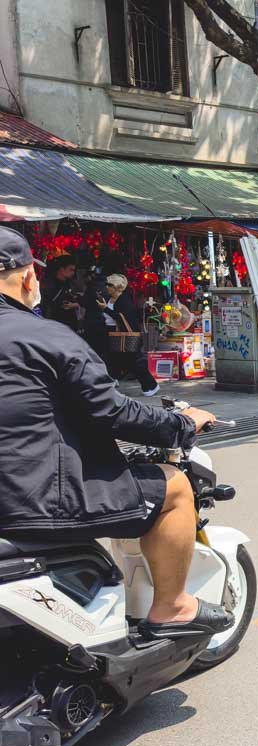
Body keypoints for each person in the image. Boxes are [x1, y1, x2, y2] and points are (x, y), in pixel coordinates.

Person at [0, 230, 230, 637]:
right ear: (27, 279)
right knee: (175, 488)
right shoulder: (47, 336)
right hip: (33, 500)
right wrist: (181, 423)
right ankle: (172, 607)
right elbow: (111, 410)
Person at [85, 272, 158, 396]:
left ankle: (150, 385)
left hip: (124, 334)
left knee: (133, 362)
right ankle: (111, 384)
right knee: (113, 360)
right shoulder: (111, 298)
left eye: (109, 285)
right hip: (112, 332)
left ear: (117, 287)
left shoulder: (124, 300)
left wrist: (105, 309)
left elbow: (122, 317)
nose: (106, 287)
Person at [41, 255, 84, 333]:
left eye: (74, 270)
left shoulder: (72, 284)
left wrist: (74, 304)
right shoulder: (49, 284)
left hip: (71, 324)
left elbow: (82, 299)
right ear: (61, 269)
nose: (73, 273)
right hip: (54, 323)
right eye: (71, 270)